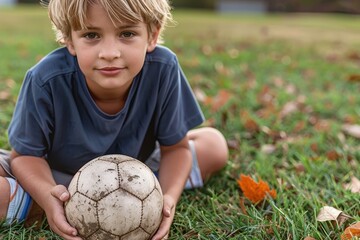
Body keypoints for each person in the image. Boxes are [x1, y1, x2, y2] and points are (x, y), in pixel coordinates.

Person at [0, 0, 228, 239]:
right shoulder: (46, 79)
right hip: (56, 176)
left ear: (152, 34)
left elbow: (176, 149)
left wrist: (167, 198)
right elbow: (25, 156)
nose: (109, 53)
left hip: (136, 175)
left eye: (127, 33)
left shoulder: (163, 69)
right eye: (91, 35)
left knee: (214, 145)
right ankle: (55, 207)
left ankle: (128, 203)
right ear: (70, 39)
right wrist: (47, 196)